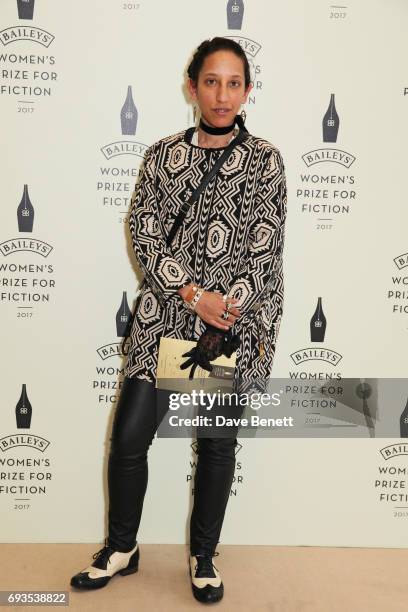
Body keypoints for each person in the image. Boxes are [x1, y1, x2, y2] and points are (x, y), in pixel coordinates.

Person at [70, 36, 287, 605]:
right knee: (129, 440)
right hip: (169, 315)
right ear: (192, 87)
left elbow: (266, 246)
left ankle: (203, 557)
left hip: (225, 326)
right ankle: (122, 547)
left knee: (215, 446)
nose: (221, 94)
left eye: (233, 82)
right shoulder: (164, 155)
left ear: (247, 90)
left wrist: (224, 306)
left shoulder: (265, 160)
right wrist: (193, 294)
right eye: (210, 81)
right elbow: (143, 230)